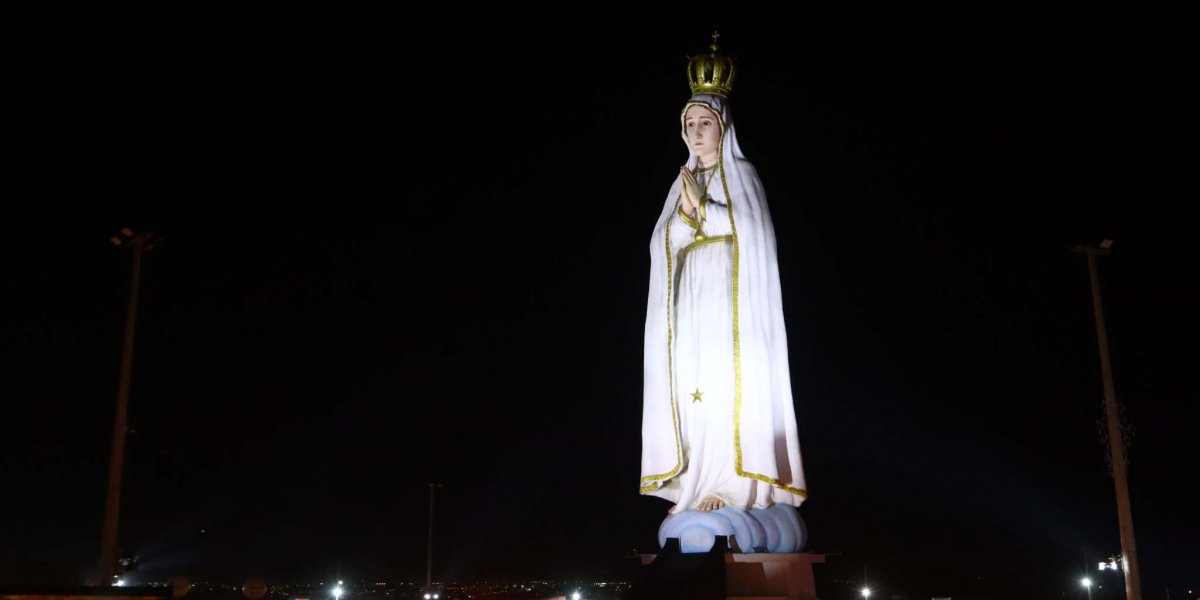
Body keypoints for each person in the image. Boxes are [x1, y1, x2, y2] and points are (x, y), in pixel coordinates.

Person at [639, 40, 807, 516]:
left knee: (728, 383)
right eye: (690, 124)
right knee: (693, 384)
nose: (696, 132)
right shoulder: (681, 182)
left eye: (705, 123)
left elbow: (753, 232)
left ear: (723, 127)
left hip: (731, 302)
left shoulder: (742, 174)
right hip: (692, 301)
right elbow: (662, 242)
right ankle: (696, 480)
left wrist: (704, 210)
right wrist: (686, 214)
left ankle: (734, 485)